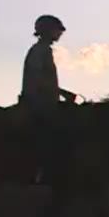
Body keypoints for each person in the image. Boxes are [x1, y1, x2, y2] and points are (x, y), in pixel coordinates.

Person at [19, 14, 79, 184]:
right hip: (38, 102)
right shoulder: (40, 51)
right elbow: (38, 79)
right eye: (56, 30)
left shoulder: (43, 50)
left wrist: (61, 93)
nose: (59, 33)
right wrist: (62, 93)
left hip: (45, 100)